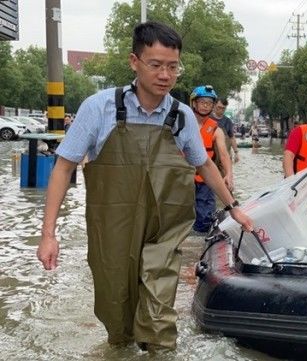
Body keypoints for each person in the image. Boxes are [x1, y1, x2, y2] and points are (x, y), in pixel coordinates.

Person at [35, 22, 252, 352]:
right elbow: (63, 167)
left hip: (163, 230)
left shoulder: (181, 116)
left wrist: (234, 208)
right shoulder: (99, 108)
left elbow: (205, 165)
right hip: (112, 229)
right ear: (134, 62)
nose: (165, 75)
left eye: (172, 67)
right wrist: (49, 234)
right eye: (156, 65)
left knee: (158, 319)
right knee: (116, 315)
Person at [190, 85, 233, 233]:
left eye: (209, 103)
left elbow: (224, 154)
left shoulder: (216, 130)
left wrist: (228, 175)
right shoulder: (183, 123)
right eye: (202, 102)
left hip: (205, 180)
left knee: (205, 216)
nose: (205, 106)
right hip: (184, 179)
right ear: (194, 103)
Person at [212, 97, 240, 163]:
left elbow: (232, 137)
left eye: (223, 108)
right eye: (219, 107)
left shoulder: (228, 121)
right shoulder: (207, 118)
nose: (221, 110)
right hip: (211, 155)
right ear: (214, 105)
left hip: (224, 155)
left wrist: (236, 152)